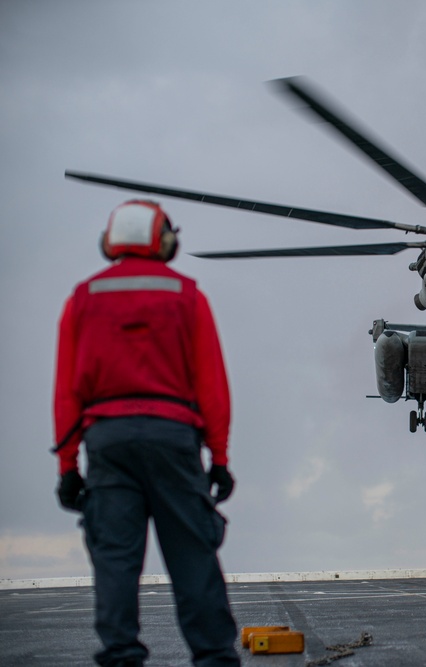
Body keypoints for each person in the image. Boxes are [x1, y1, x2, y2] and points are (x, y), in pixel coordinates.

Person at [53, 200, 241, 667]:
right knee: (192, 554)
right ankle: (215, 657)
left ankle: (120, 655)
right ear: (165, 242)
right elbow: (212, 386)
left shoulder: (83, 298)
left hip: (108, 443)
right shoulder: (187, 295)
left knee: (115, 557)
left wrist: (67, 466)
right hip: (172, 440)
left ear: (109, 242)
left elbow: (67, 391)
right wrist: (218, 459)